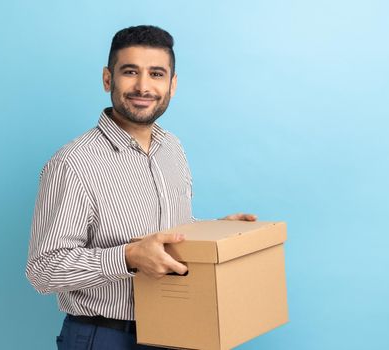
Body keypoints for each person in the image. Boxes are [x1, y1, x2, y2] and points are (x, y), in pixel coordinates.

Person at [26, 25, 257, 350]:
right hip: (105, 336)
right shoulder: (73, 163)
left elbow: (167, 233)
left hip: (177, 328)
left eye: (156, 74)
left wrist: (214, 233)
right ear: (108, 79)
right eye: (130, 72)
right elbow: (43, 269)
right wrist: (129, 257)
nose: (143, 86)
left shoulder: (172, 149)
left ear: (172, 84)